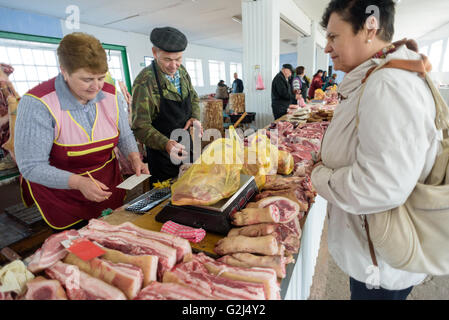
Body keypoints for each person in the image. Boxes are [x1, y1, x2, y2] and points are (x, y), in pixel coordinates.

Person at [311, 0, 440, 300]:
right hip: (378, 253)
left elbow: (379, 186)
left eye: (333, 37)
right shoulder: (380, 77)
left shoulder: (388, 85)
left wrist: (319, 176)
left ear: (370, 28)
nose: (327, 48)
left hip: (382, 261)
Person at [14, 32, 149, 230]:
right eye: (87, 79)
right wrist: (78, 183)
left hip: (107, 185)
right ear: (64, 71)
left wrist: (134, 157)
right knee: (79, 249)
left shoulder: (111, 94)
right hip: (62, 196)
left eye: (101, 78)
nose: (96, 87)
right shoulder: (38, 103)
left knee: (113, 236)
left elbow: (124, 134)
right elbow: (31, 167)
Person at [132, 27, 202, 186]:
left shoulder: (182, 72)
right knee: (168, 200)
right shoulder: (145, 82)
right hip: (162, 155)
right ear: (154, 53)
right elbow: (139, 126)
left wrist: (195, 117)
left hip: (186, 146)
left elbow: (194, 97)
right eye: (167, 59)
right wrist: (165, 143)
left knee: (191, 188)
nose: (173, 65)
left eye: (178, 59)